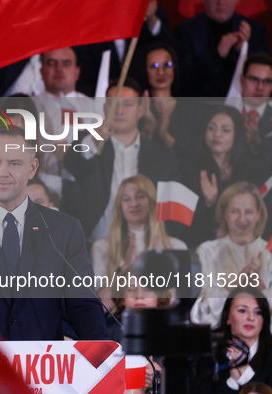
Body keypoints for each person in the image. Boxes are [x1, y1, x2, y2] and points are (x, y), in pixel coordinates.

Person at [0, 126, 108, 340]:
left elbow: (84, 305)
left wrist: (103, 361)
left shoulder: (64, 229)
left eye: (14, 163)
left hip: (41, 369)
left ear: (32, 168)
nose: (2, 172)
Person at [64, 79, 181, 242]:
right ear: (105, 108)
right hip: (96, 242)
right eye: (112, 103)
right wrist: (95, 139)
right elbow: (73, 164)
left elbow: (173, 208)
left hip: (147, 245)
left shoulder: (162, 156)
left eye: (128, 104)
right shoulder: (89, 143)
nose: (119, 110)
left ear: (141, 110)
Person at [181, 105, 272, 247]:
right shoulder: (189, 169)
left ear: (237, 135)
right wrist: (209, 204)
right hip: (204, 249)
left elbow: (266, 218)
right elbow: (185, 226)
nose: (217, 134)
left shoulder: (258, 169)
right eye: (211, 128)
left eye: (225, 130)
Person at [190, 182, 272, 334]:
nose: (242, 219)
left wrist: (260, 285)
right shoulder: (207, 251)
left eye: (249, 212)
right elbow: (200, 315)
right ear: (224, 214)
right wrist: (233, 285)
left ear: (258, 214)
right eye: (235, 211)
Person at [91, 175, 187, 295]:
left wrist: (163, 268)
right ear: (119, 207)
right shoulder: (102, 247)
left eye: (140, 197)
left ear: (152, 202)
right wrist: (126, 268)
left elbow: (180, 303)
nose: (134, 203)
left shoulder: (176, 247)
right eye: (126, 199)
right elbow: (100, 306)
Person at [174, 0, 269, 97]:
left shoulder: (256, 30)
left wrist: (242, 51)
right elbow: (183, 81)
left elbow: (266, 76)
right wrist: (217, 55)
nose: (221, 2)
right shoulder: (185, 31)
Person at [33, 47, 94, 179]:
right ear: (42, 71)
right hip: (41, 183)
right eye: (51, 63)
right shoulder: (28, 106)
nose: (59, 69)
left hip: (84, 184)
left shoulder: (93, 107)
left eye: (66, 63)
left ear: (77, 72)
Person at [205, 287, 272, 393]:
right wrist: (232, 382)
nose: (251, 317)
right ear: (227, 317)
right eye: (243, 311)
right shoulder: (211, 358)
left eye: (258, 312)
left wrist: (245, 371)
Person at [235, 54, 272, 151]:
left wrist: (257, 143)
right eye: (254, 79)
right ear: (242, 80)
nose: (260, 87)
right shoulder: (224, 111)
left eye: (266, 81)